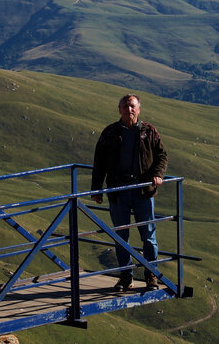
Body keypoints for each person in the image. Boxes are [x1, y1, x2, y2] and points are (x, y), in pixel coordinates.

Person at [90, 93, 168, 291]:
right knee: (120, 236)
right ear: (119, 110)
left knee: (148, 235)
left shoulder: (149, 131)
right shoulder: (109, 133)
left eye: (132, 106)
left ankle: (151, 274)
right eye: (125, 107)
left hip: (143, 192)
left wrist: (158, 174)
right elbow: (99, 162)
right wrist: (97, 189)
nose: (129, 110)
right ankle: (126, 276)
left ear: (139, 110)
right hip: (118, 192)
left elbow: (161, 155)